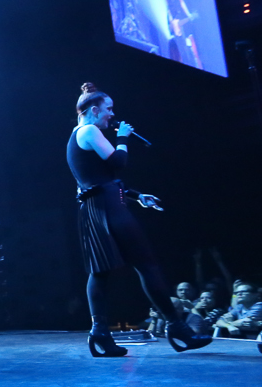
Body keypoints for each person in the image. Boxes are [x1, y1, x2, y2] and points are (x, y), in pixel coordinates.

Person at [66, 83, 208, 356]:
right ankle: (177, 328)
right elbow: (118, 162)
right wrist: (122, 138)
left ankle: (100, 334)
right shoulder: (89, 131)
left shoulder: (77, 136)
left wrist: (137, 195)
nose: (112, 114)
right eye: (109, 109)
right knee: (146, 264)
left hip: (98, 207)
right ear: (94, 110)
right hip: (107, 208)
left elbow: (97, 180)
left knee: (101, 272)